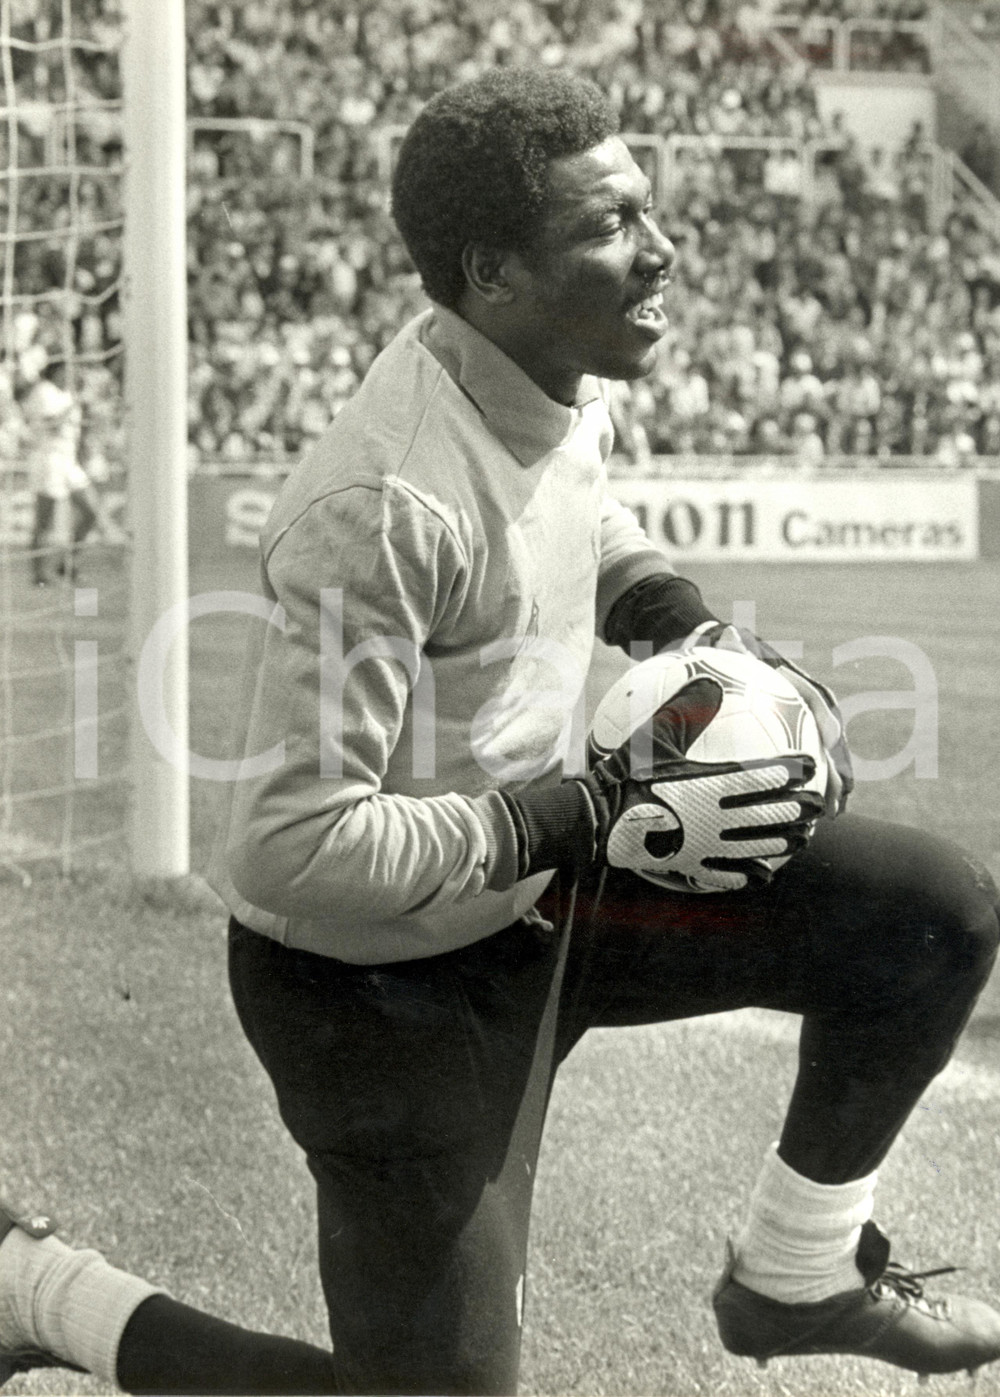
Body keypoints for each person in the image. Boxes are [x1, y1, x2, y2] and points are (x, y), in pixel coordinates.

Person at [3, 66, 999, 1397]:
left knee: (931, 910)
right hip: (374, 991)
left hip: (543, 890)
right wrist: (571, 816)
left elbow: (583, 512)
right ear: (492, 274)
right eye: (610, 229)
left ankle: (799, 1273)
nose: (663, 248)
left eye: (647, 210)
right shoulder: (386, 502)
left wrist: (678, 620)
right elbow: (291, 848)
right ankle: (37, 1290)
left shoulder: (562, 360)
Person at [21, 361, 115, 586]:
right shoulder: (43, 391)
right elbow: (51, 424)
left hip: (69, 460)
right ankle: (39, 574)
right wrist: (74, 406)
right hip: (48, 459)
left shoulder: (69, 394)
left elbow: (78, 429)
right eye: (67, 371)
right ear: (57, 371)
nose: (71, 375)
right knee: (45, 519)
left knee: (92, 511)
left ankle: (67, 564)